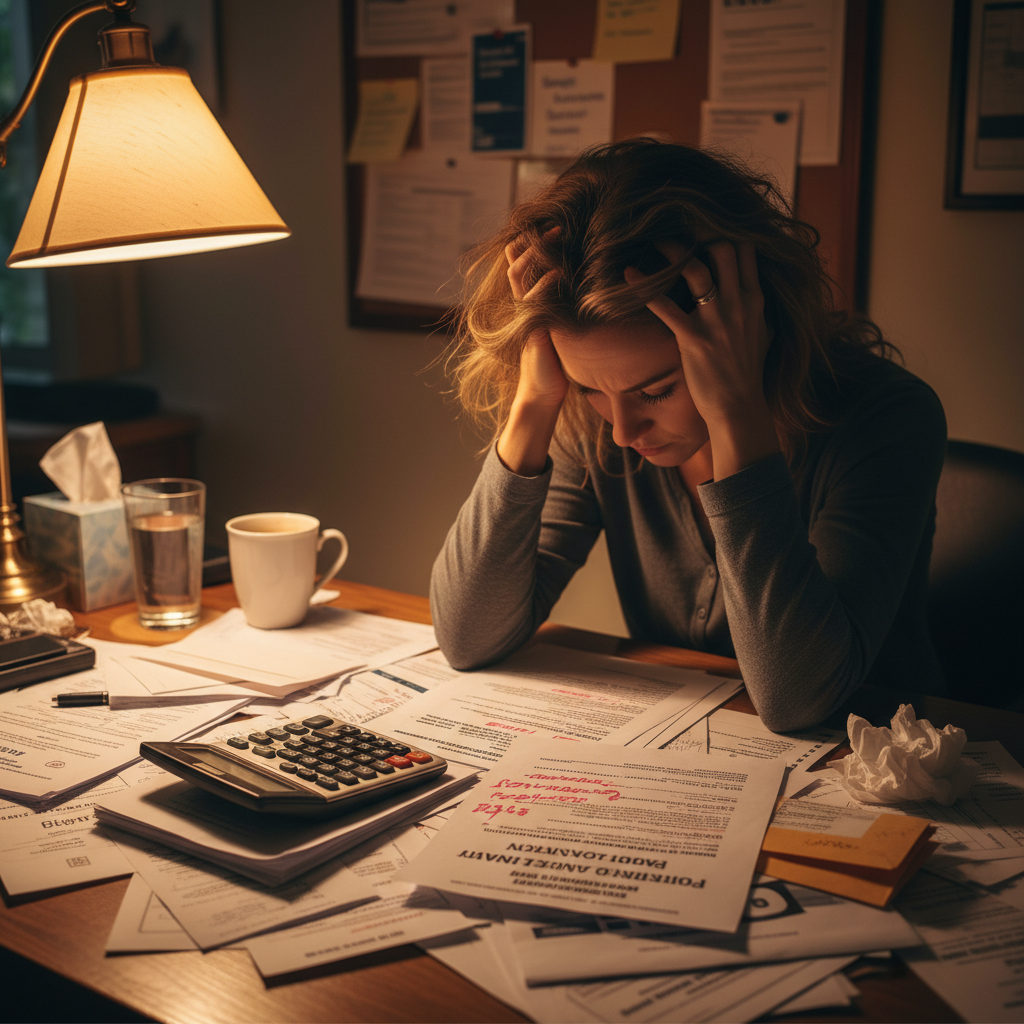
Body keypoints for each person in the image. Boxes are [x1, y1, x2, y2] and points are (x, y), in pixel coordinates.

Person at [430, 138, 946, 732]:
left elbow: (797, 699)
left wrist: (735, 414)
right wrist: (536, 400)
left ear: (748, 329)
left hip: (876, 757)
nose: (623, 431)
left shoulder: (889, 417)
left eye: (656, 391)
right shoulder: (590, 422)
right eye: (592, 389)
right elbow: (469, 637)